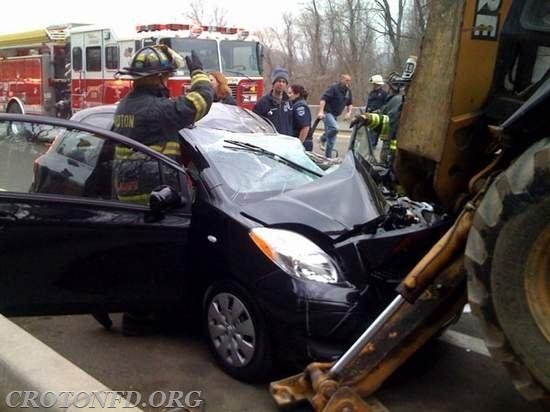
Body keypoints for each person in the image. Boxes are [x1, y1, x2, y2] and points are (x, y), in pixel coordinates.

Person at [112, 45, 213, 335]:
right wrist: (197, 72)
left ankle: (136, 315)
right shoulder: (157, 110)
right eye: (167, 76)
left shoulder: (126, 106)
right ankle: (147, 317)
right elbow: (201, 100)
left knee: (142, 259)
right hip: (154, 196)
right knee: (159, 261)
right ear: (158, 78)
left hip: (130, 194)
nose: (168, 81)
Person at [350, 72, 405, 167]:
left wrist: (369, 119)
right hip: (390, 149)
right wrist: (366, 118)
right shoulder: (393, 99)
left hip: (392, 151)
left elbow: (389, 122)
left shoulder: (397, 100)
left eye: (389, 86)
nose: (388, 89)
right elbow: (383, 114)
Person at [317, 73, 353, 158]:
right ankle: (322, 138)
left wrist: (349, 112)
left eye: (349, 81)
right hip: (327, 113)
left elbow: (350, 103)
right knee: (335, 128)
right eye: (346, 80)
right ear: (341, 80)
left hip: (335, 115)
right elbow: (323, 99)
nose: (348, 82)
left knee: (332, 140)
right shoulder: (334, 88)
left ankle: (327, 158)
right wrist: (321, 111)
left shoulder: (348, 91)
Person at [253, 67, 293, 135]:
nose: (281, 84)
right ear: (273, 83)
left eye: (283, 82)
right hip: (270, 141)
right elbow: (255, 123)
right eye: (279, 81)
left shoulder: (289, 103)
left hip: (286, 140)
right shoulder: (262, 103)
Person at [365, 74, 388, 147]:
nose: (373, 86)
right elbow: (369, 104)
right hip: (370, 116)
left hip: (377, 118)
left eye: (375, 84)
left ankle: (372, 146)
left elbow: (385, 106)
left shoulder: (384, 94)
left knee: (373, 135)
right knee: (368, 135)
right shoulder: (372, 93)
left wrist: (379, 111)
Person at [288, 84, 312, 151]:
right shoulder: (294, 105)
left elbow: (305, 127)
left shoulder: (300, 106)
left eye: (290, 93)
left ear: (297, 94)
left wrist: (299, 145)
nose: (288, 95)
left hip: (303, 143)